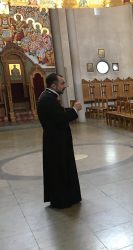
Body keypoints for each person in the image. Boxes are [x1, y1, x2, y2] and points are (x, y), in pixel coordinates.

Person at [37, 73, 82, 209]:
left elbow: (59, 112)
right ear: (53, 85)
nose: (65, 86)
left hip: (57, 140)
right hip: (56, 142)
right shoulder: (47, 99)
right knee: (59, 170)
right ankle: (62, 200)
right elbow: (60, 118)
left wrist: (70, 109)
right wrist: (75, 109)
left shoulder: (48, 96)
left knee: (62, 169)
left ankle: (68, 197)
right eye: (62, 83)